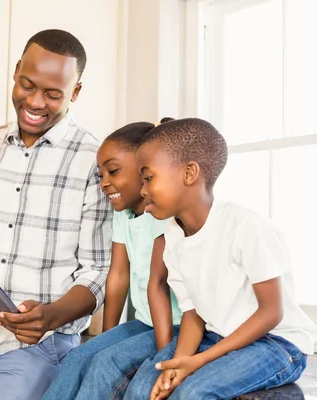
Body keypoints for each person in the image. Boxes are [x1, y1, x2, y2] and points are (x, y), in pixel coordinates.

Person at [0, 29, 112, 400]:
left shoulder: (94, 161)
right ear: (16, 71)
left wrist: (49, 317)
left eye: (53, 94)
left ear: (75, 93)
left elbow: (99, 271)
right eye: (27, 85)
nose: (35, 102)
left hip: (39, 348)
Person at [124, 118, 317, 399]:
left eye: (149, 177)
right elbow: (193, 313)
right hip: (217, 335)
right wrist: (178, 365)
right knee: (143, 388)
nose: (142, 190)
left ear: (189, 173)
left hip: (277, 342)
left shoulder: (246, 227)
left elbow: (271, 312)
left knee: (192, 393)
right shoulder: (172, 237)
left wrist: (198, 362)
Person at [43, 120, 182, 400]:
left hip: (177, 328)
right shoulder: (123, 214)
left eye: (113, 171)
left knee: (106, 366)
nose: (105, 183)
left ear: (144, 165)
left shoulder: (164, 216)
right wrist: (106, 338)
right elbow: (118, 276)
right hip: (144, 323)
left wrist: (164, 353)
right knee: (77, 358)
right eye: (101, 174)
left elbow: (159, 285)